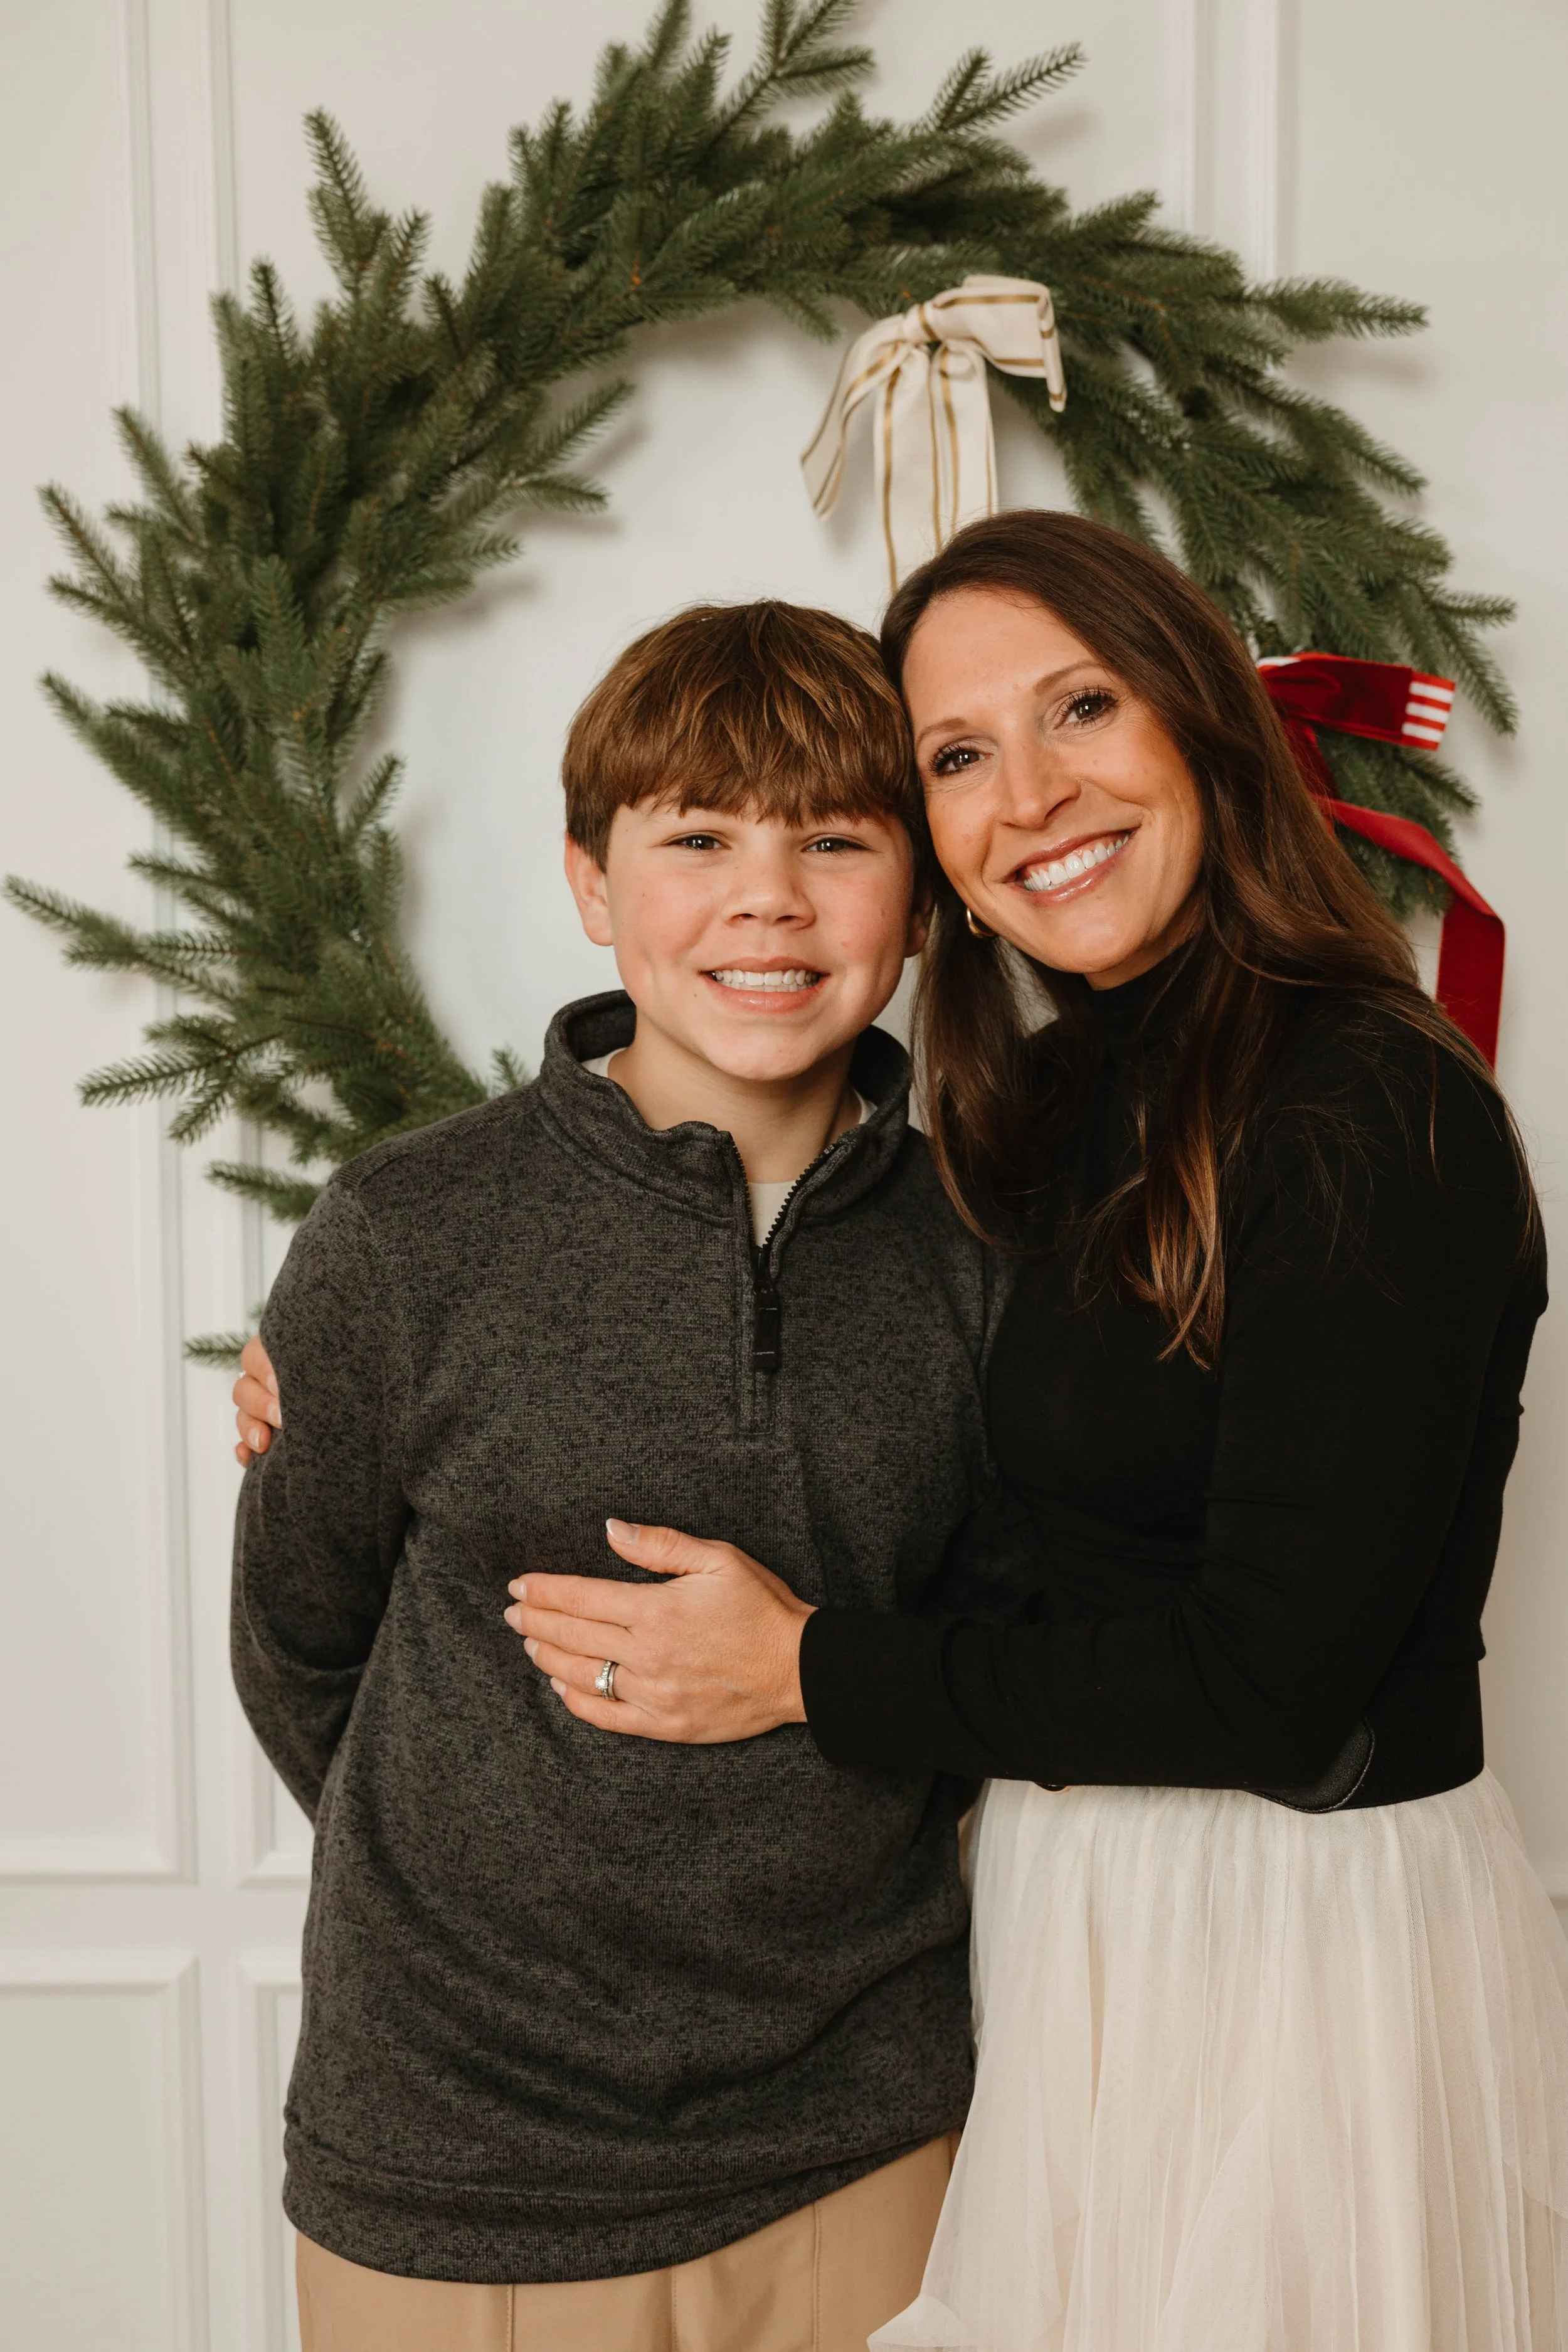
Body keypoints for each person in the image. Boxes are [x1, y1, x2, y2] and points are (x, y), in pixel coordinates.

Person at [509, 514, 1568, 2351]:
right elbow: (906, 1431)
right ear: (934, 857)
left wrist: (807, 1672)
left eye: (1082, 706)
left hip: (1295, 1945)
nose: (1033, 792)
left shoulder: (1365, 1104)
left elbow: (1273, 1683)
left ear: (1198, 722)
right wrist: (376, 1335)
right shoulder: (1057, 1100)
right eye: (957, 756)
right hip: (1078, 1905)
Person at [230, 599, 1025, 2352]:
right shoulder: (406, 1235)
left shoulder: (984, 1257)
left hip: (863, 2130)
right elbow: (300, 1648)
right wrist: (489, 1869)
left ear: (917, 899)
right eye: (697, 839)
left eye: (834, 839)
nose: (769, 898)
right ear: (593, 881)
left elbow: (984, 1671)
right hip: (457, 2155)